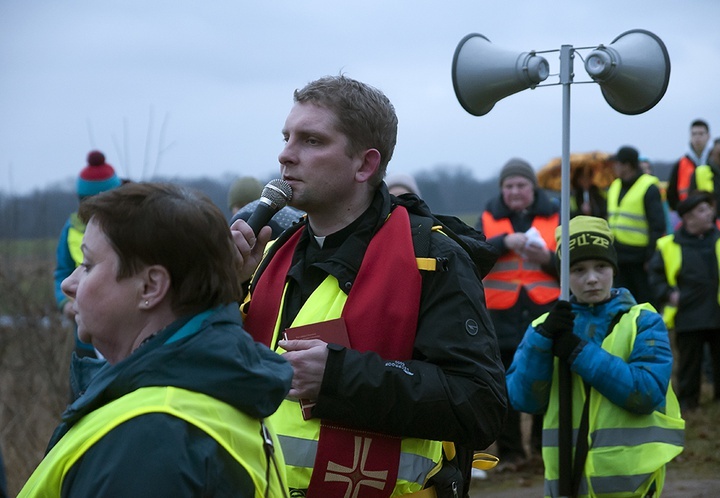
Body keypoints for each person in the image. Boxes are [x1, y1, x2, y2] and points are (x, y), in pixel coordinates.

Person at [231, 74, 506, 497]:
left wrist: (340, 377)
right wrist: (222, 293)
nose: (285, 155)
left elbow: (479, 405)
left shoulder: (432, 256)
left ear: (365, 165)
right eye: (286, 137)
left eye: (311, 141)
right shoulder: (269, 254)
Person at [21, 182, 292, 496]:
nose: (69, 284)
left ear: (150, 287)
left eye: (88, 265)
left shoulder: (150, 440)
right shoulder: (214, 387)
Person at [507, 215, 684, 497]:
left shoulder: (643, 321)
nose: (591, 279)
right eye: (578, 270)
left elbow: (647, 392)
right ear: (564, 275)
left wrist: (578, 352)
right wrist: (540, 342)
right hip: (566, 483)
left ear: (613, 268)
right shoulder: (545, 329)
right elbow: (523, 399)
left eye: (601, 266)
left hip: (630, 486)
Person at [476, 158, 560, 468]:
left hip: (544, 314)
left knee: (544, 384)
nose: (514, 191)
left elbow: (573, 265)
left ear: (532, 188)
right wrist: (503, 242)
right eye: (508, 186)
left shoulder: (557, 215)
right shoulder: (487, 217)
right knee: (506, 390)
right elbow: (473, 254)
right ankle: (510, 454)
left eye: (520, 185)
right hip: (501, 318)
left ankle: (542, 451)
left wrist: (548, 258)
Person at [649, 191, 720, 412]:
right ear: (688, 218)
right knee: (689, 363)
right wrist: (668, 294)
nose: (709, 213)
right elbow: (654, 276)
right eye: (702, 210)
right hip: (688, 313)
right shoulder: (668, 244)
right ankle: (688, 404)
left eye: (709, 208)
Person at [54, 150, 122, 359]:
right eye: (86, 200)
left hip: (119, 328)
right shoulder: (71, 228)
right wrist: (65, 303)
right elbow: (62, 272)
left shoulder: (130, 227)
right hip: (84, 329)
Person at [608, 145, 666, 306]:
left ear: (627, 165)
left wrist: (650, 257)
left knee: (643, 301)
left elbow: (657, 225)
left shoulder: (648, 187)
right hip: (619, 256)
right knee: (621, 302)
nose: (615, 167)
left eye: (618, 163)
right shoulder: (615, 186)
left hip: (640, 258)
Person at [666, 119, 710, 211]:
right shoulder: (681, 164)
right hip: (688, 215)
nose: (697, 137)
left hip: (714, 215)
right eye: (694, 134)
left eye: (701, 134)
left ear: (708, 136)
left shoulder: (715, 161)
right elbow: (671, 194)